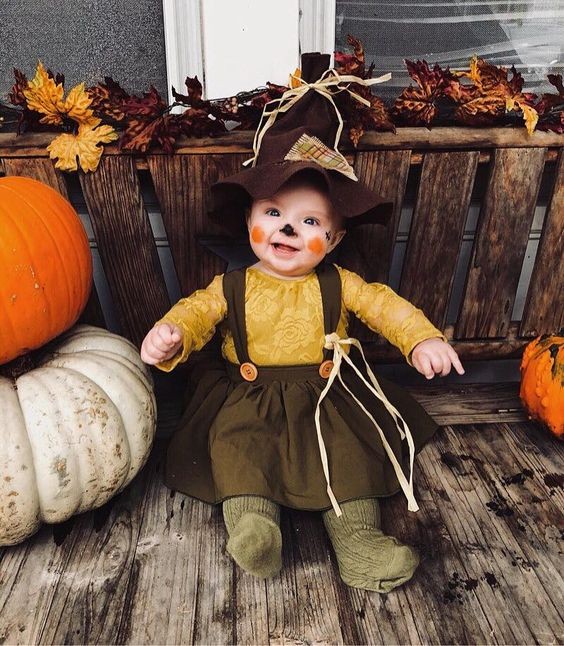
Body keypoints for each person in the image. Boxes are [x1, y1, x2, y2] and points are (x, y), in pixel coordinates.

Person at [140, 53, 464, 593]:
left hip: (327, 394)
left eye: (309, 221)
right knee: (240, 453)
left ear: (335, 239)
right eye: (273, 213)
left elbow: (386, 307)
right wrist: (170, 334)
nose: (287, 228)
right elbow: (196, 312)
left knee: (349, 458)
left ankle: (358, 540)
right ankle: (253, 526)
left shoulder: (340, 283)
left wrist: (422, 338)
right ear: (248, 220)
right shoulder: (234, 285)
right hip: (247, 398)